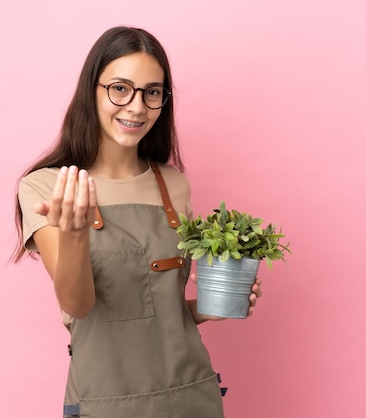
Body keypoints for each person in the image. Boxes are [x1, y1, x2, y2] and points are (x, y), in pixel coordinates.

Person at [13, 26, 262, 418]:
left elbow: (156, 307)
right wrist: (75, 232)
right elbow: (77, 305)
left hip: (189, 396)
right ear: (91, 90)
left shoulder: (173, 185)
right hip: (105, 402)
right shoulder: (48, 187)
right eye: (120, 88)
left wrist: (211, 307)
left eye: (151, 92)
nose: (136, 107)